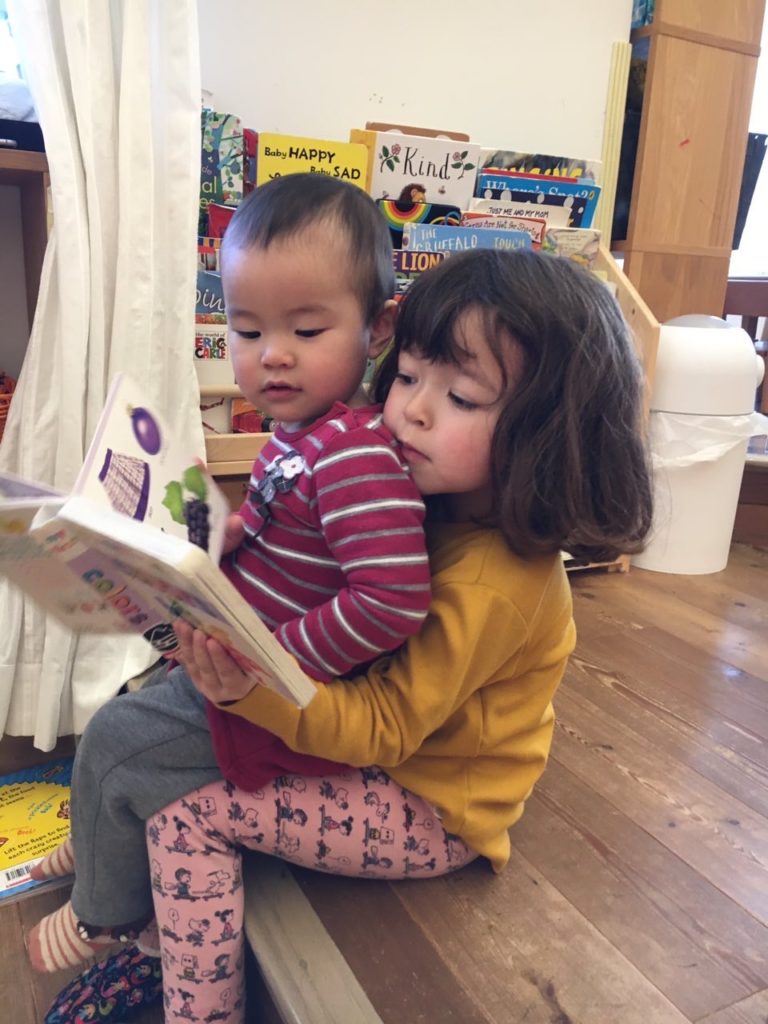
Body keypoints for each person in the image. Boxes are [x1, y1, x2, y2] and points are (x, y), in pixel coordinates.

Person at [140, 247, 653, 1022]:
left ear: (551, 434)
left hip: (430, 806)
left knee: (187, 817)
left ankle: (200, 1010)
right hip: (373, 741)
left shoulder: (491, 582)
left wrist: (254, 690)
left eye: (464, 397)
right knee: (160, 727)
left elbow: (385, 726)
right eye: (409, 376)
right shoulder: (429, 497)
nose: (411, 409)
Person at [27, 172, 432, 973]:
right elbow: (290, 525)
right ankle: (99, 833)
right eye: (247, 331)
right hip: (229, 657)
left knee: (114, 736)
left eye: (307, 332)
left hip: (275, 697)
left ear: (378, 328)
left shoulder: (355, 454)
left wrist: (273, 657)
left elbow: (392, 601)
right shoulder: (298, 431)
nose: (271, 357)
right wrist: (224, 531)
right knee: (129, 712)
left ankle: (107, 914)